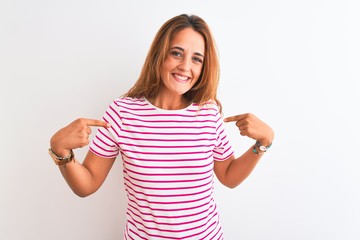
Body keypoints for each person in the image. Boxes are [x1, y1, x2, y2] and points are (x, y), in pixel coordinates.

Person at [49, 14, 274, 240]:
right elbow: (86, 185)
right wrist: (61, 151)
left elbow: (228, 176)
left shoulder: (207, 112)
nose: (185, 66)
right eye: (176, 53)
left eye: (197, 59)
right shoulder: (122, 113)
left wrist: (263, 143)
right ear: (160, 54)